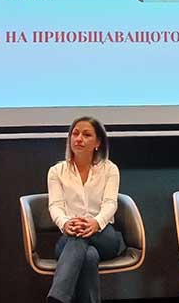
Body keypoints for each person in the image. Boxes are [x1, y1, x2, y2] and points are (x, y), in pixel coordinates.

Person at [46, 117, 125, 303]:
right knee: (89, 256)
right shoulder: (56, 171)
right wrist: (65, 223)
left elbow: (110, 203)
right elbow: (55, 205)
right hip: (69, 235)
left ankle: (57, 297)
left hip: (104, 235)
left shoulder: (109, 169)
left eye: (86, 134)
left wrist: (96, 222)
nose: (79, 138)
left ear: (98, 143)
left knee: (82, 239)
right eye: (75, 134)